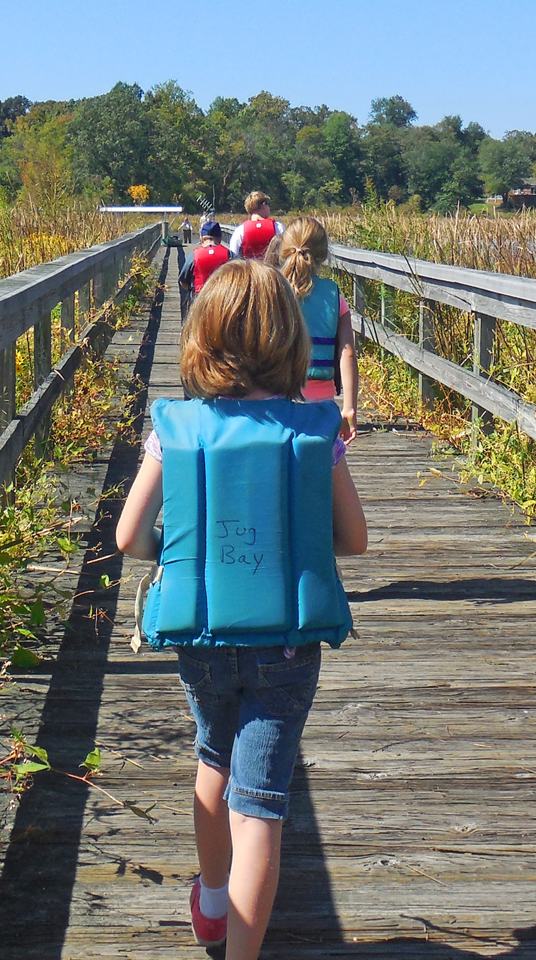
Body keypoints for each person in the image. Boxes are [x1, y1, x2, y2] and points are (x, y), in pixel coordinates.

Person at [116, 260, 367, 960]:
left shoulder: (176, 428)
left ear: (202, 340)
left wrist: (180, 551)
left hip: (202, 637)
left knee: (212, 757)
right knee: (261, 804)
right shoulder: (315, 433)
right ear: (290, 344)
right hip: (287, 647)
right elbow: (356, 538)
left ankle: (213, 900)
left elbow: (129, 537)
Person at [279, 217, 359, 442]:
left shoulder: (272, 289)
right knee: (324, 467)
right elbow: (348, 354)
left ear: (284, 249)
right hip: (321, 404)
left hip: (276, 397)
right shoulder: (333, 296)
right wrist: (349, 408)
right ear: (323, 255)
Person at [177, 221, 231, 313]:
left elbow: (183, 280)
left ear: (202, 239)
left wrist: (191, 290)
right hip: (223, 300)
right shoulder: (229, 255)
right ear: (220, 239)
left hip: (200, 299)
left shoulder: (194, 255)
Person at [229, 192, 284, 261]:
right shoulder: (277, 226)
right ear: (264, 205)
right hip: (271, 269)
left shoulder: (240, 230)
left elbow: (233, 254)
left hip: (249, 269)